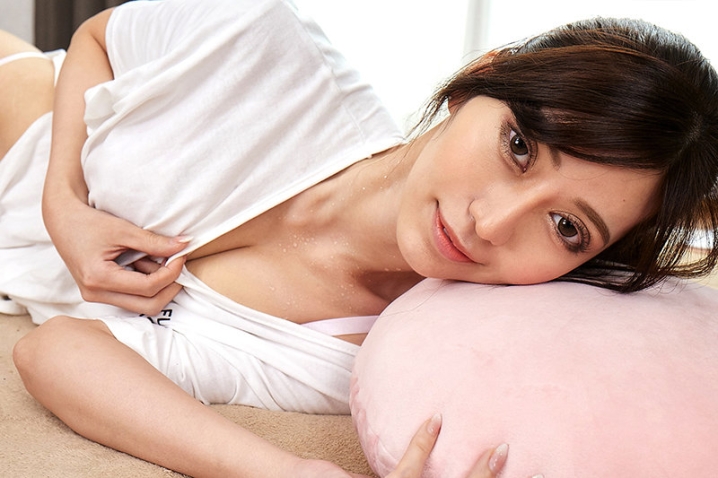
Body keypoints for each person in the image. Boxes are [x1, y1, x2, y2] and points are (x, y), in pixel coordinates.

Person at [4, 0, 717, 475]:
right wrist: (63, 203)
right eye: (520, 146)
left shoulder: (347, 354)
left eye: (566, 227)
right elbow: (97, 38)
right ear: (479, 78)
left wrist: (293, 473)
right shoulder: (258, 37)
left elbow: (55, 350)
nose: (491, 223)